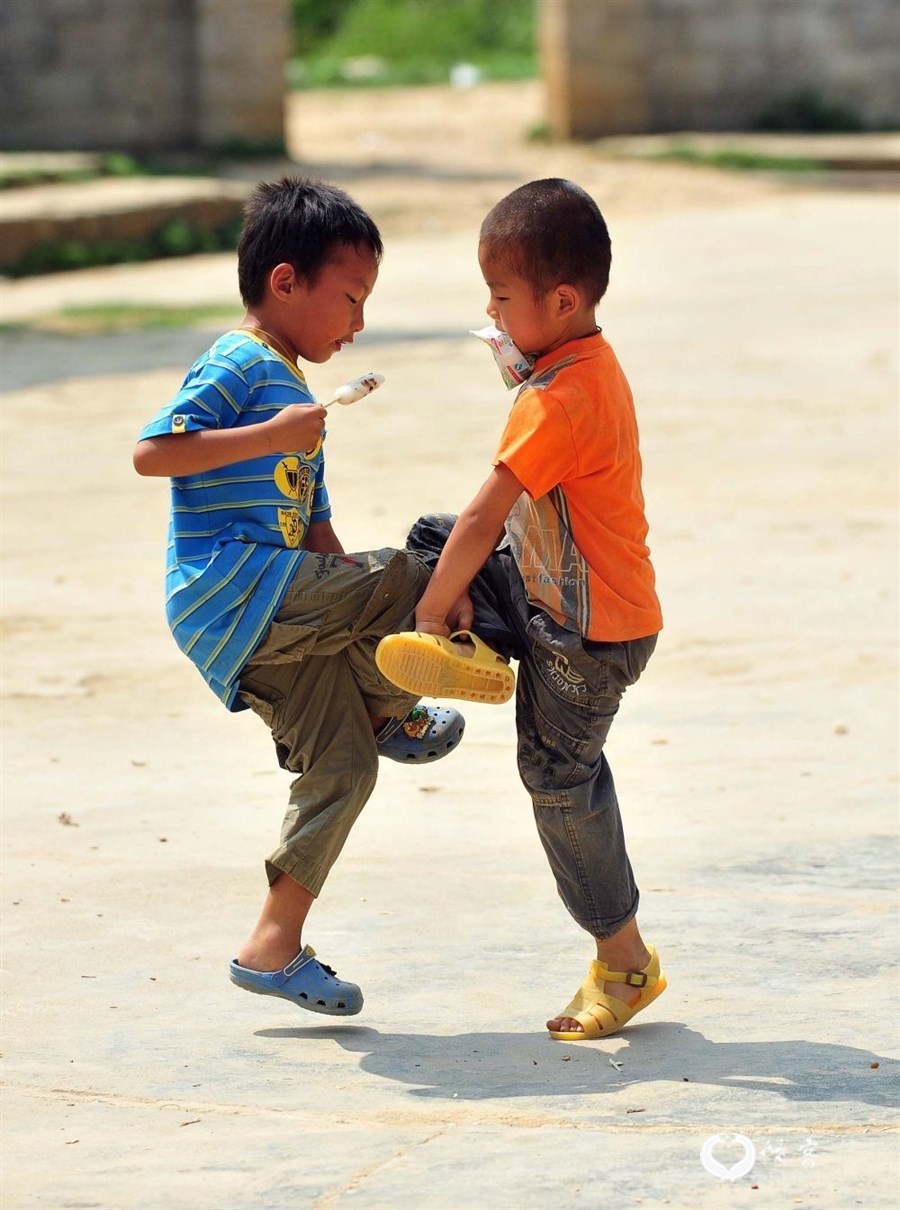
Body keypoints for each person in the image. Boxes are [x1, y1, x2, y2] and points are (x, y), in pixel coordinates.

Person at [133, 177, 465, 1018]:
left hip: (269, 613)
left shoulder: (302, 403)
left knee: (344, 768)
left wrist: (341, 561)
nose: (356, 324)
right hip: (230, 589)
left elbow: (316, 531)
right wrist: (271, 435)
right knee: (410, 574)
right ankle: (395, 711)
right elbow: (152, 453)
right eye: (350, 299)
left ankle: (271, 948)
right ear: (286, 283)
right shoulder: (239, 362)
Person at [376, 178, 666, 1041]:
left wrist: (430, 614)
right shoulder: (580, 363)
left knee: (559, 781)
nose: (493, 316)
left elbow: (485, 514)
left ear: (563, 301)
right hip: (546, 594)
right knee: (428, 538)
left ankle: (626, 964)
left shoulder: (558, 400)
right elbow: (468, 532)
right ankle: (483, 651)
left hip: (587, 636)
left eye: (503, 299)